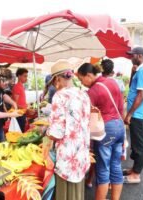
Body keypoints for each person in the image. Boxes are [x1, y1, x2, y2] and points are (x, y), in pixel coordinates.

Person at [77, 61, 125, 200]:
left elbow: (86, 116)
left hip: (106, 130)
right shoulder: (112, 82)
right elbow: (121, 106)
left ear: (89, 75)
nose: (82, 83)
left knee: (103, 168)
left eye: (82, 79)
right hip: (119, 127)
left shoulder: (93, 91)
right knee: (116, 166)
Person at [44, 61, 91, 200]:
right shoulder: (83, 94)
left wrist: (46, 131)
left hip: (67, 155)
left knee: (66, 194)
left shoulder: (60, 96)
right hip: (81, 153)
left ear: (57, 79)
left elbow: (56, 133)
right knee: (77, 193)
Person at [124, 47, 143, 184]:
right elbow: (134, 89)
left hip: (137, 114)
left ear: (139, 56)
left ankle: (136, 174)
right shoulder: (141, 70)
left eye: (132, 55)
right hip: (137, 113)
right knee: (136, 143)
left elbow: (141, 95)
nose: (130, 57)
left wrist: (129, 114)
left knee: (139, 145)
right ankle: (134, 169)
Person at [12, 68, 29, 132]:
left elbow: (21, 100)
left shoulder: (21, 86)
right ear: (19, 76)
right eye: (25, 76)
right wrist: (26, 108)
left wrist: (26, 105)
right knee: (19, 132)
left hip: (22, 113)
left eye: (27, 76)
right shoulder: (17, 87)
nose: (26, 78)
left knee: (22, 130)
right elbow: (15, 103)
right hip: (19, 114)